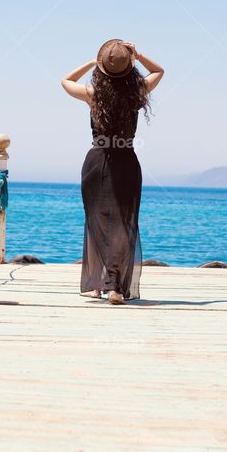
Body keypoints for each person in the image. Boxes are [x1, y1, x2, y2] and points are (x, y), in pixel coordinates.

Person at [60, 39, 164, 304]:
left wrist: (92, 62)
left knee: (96, 220)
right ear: (129, 68)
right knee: (121, 224)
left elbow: (65, 81)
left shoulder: (93, 95)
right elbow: (159, 71)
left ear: (102, 67)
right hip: (126, 160)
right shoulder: (137, 92)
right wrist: (138, 57)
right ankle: (115, 287)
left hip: (97, 161)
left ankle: (96, 284)